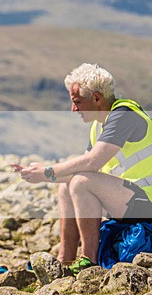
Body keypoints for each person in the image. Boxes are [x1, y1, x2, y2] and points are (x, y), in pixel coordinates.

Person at [13, 63, 152, 273]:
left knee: (80, 183)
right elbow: (81, 167)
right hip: (129, 199)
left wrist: (47, 171)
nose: (73, 109)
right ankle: (65, 259)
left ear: (97, 98)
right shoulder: (99, 124)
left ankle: (89, 260)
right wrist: (39, 173)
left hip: (146, 201)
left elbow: (92, 163)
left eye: (77, 102)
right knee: (67, 185)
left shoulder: (124, 114)